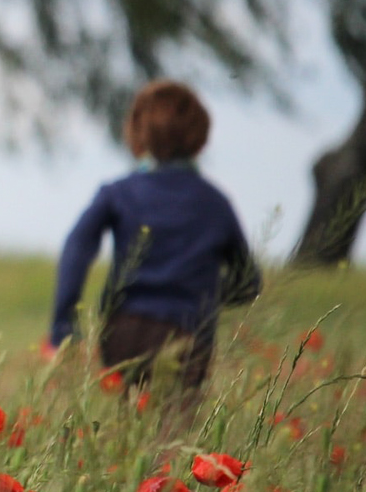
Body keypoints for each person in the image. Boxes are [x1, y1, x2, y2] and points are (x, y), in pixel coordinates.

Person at [46, 79, 260, 393]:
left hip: (123, 331)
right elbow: (248, 282)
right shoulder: (215, 204)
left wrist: (64, 328)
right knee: (174, 432)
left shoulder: (117, 194)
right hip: (188, 333)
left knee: (130, 426)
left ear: (137, 133)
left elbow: (76, 250)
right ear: (199, 137)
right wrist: (203, 295)